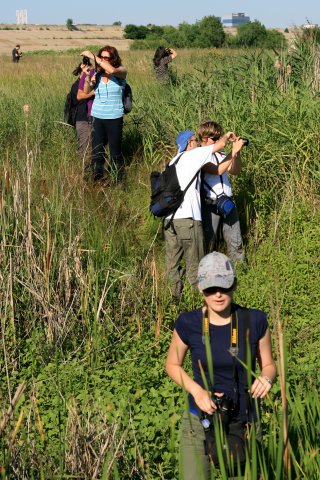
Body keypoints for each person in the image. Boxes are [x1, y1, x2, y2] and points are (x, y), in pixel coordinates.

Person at [166, 251, 277, 479]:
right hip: (201, 418)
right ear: (200, 288)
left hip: (243, 419)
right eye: (210, 288)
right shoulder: (188, 323)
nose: (218, 295)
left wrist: (266, 379)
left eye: (224, 287)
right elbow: (172, 365)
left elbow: (269, 366)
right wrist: (197, 392)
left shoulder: (254, 320)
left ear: (234, 284)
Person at [164, 130, 244, 300]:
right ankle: (198, 302)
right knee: (196, 263)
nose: (196, 144)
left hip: (170, 220)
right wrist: (230, 141)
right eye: (194, 140)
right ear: (189, 143)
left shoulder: (174, 160)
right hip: (188, 219)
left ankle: (173, 298)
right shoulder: (192, 156)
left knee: (173, 263)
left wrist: (234, 152)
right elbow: (220, 147)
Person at [80, 45, 127, 183]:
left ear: (114, 58)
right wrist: (88, 75)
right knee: (97, 151)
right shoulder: (97, 74)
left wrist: (94, 56)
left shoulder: (121, 71)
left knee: (115, 151)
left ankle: (118, 180)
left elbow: (112, 70)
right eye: (102, 57)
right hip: (98, 117)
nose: (104, 60)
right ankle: (98, 178)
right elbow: (87, 90)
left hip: (114, 117)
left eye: (107, 57)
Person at [198, 121, 244, 261]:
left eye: (219, 138)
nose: (217, 141)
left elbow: (235, 171)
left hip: (228, 202)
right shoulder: (199, 154)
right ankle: (207, 273)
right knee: (209, 243)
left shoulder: (220, 155)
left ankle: (240, 271)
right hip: (210, 204)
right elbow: (217, 170)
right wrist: (232, 151)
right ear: (203, 138)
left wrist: (237, 154)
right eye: (214, 138)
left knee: (235, 241)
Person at [75, 62, 95, 168]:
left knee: (94, 147)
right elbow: (79, 96)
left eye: (90, 67)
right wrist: (92, 93)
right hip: (82, 119)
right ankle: (84, 172)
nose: (89, 70)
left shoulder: (91, 79)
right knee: (85, 149)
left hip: (90, 117)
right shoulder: (77, 84)